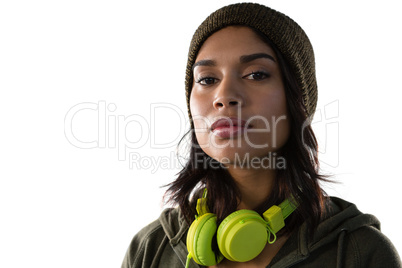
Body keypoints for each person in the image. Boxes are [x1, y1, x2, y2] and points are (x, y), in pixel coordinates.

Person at [121, 3, 401, 268]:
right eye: (207, 79)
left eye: (256, 74)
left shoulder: (360, 252)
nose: (224, 96)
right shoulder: (151, 248)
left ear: (296, 101)